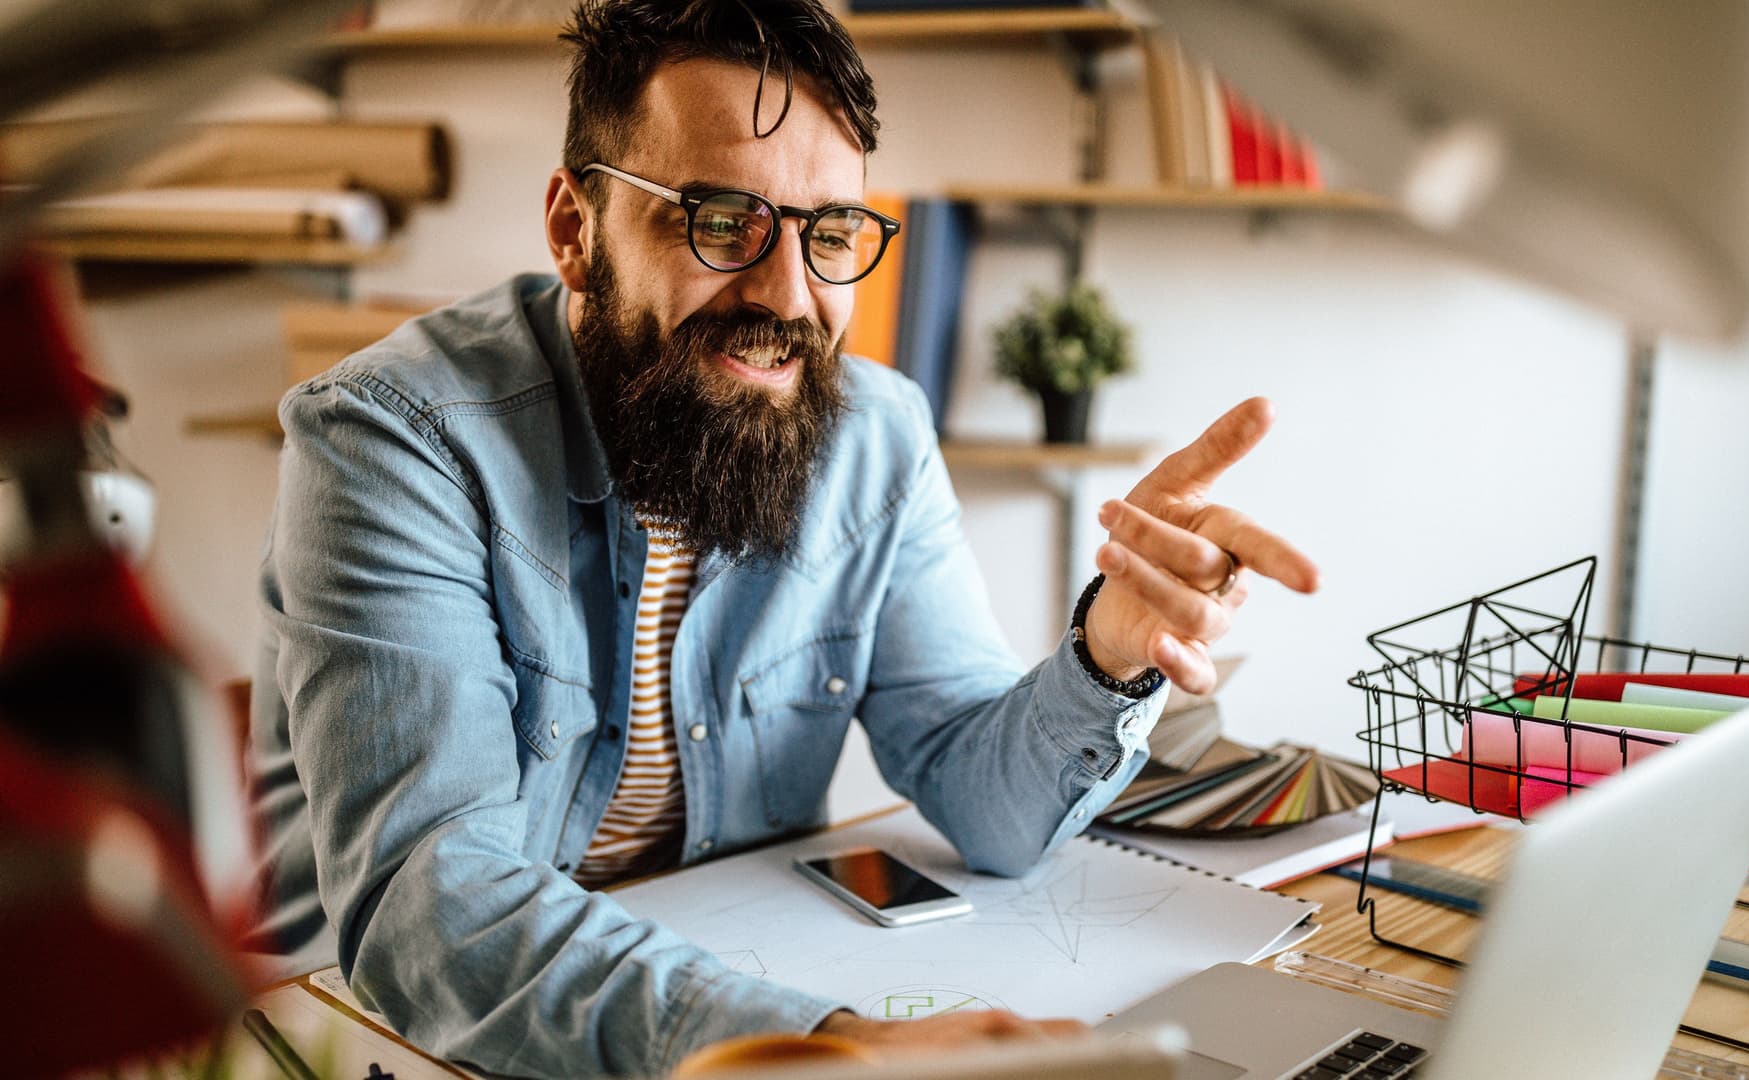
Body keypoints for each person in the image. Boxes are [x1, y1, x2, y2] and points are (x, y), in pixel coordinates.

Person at [246, 1, 1318, 1076]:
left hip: (708, 990)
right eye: (720, 221)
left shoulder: (877, 437)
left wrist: (1107, 656)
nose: (789, 296)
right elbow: (436, 908)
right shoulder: (391, 438)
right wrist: (815, 1050)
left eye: (831, 233)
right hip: (365, 1034)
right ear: (577, 230)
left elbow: (982, 803)